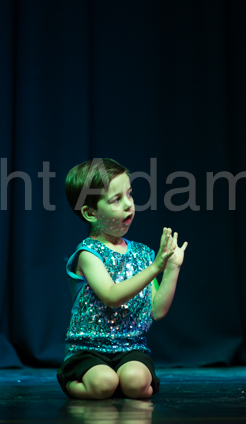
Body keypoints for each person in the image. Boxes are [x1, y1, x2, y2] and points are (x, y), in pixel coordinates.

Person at [57, 158, 188, 400]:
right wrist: (155, 267)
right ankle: (70, 379)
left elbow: (157, 311)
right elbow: (111, 296)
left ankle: (123, 383)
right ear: (91, 213)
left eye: (129, 194)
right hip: (88, 350)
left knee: (136, 382)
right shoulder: (88, 254)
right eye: (116, 199)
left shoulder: (143, 253)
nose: (129, 205)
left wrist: (171, 268)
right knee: (104, 383)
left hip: (131, 348)